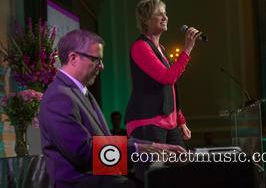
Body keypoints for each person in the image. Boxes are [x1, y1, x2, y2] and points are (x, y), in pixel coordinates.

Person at [38, 29, 185, 188]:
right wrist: (139, 149)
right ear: (73, 58)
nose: (102, 66)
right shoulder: (59, 97)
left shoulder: (78, 92)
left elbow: (105, 141)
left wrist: (156, 147)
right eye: (96, 60)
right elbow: (84, 153)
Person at [125, 0, 200, 147]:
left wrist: (180, 120)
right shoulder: (140, 47)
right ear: (145, 20)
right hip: (148, 122)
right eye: (159, 14)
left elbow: (170, 89)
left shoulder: (162, 49)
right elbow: (168, 78)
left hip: (168, 123)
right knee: (154, 170)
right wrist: (188, 49)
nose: (165, 17)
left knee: (181, 167)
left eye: (165, 13)